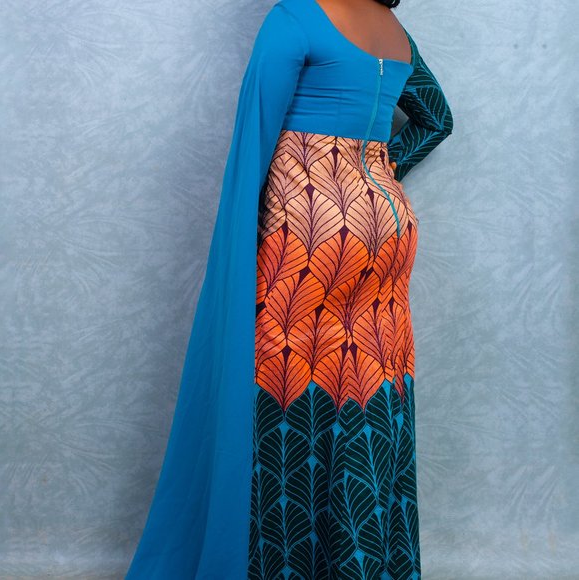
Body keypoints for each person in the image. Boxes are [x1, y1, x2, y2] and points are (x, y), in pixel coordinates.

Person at [125, 0, 453, 578]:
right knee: (367, 390)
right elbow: (437, 120)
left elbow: (255, 138)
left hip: (309, 229)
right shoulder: (395, 31)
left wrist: (239, 250)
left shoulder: (297, 17)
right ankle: (362, 562)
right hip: (388, 228)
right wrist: (376, 174)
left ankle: (286, 565)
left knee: (285, 389)